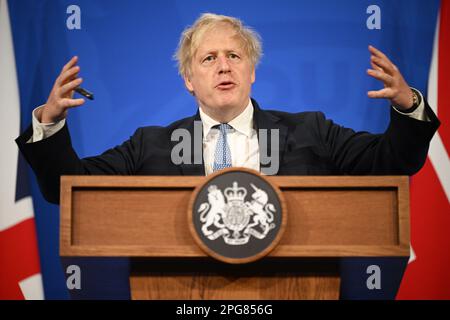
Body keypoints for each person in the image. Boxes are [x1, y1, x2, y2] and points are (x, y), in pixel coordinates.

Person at [16, 13, 440, 204]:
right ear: (189, 80)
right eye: (209, 58)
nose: (223, 66)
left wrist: (407, 107)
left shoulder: (311, 131)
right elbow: (67, 189)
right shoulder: (149, 146)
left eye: (234, 57)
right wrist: (49, 124)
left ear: (251, 71)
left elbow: (393, 163)